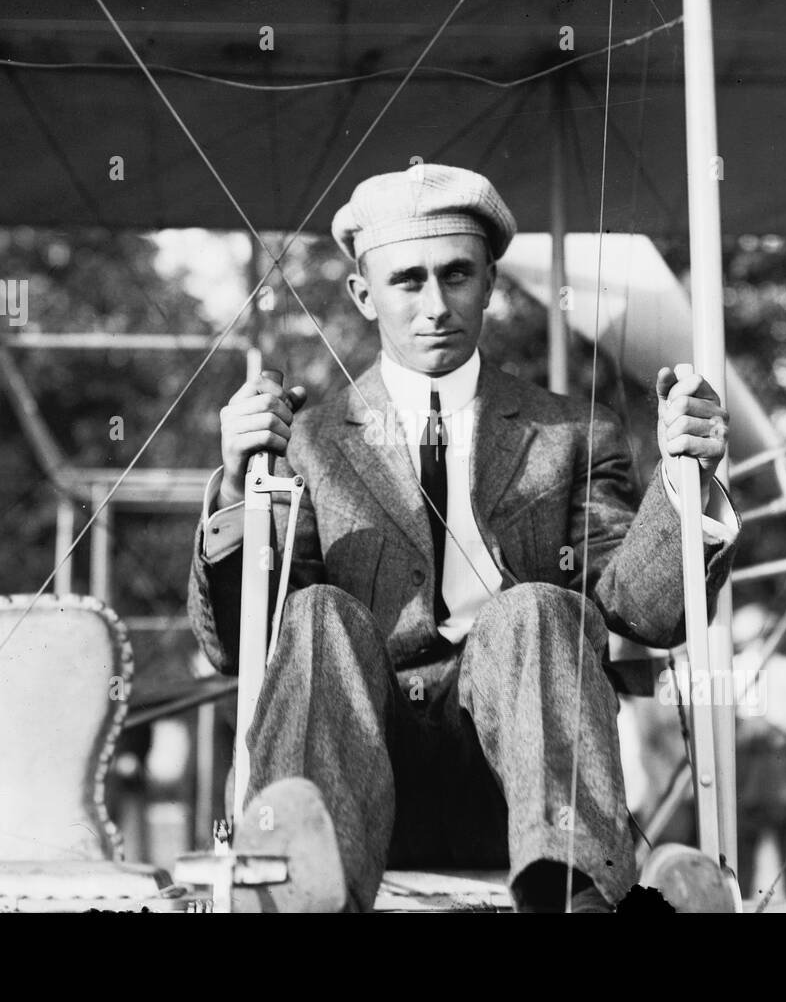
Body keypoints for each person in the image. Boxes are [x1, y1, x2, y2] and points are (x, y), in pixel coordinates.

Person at [187, 164, 741, 912]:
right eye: (407, 281)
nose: (436, 305)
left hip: (523, 800)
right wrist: (234, 490)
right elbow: (238, 643)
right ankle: (293, 886)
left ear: (490, 282)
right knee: (316, 612)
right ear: (363, 294)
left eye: (457, 275)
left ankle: (571, 892)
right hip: (354, 799)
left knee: (536, 608)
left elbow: (645, 614)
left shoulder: (574, 433)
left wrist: (685, 481)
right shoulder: (309, 443)